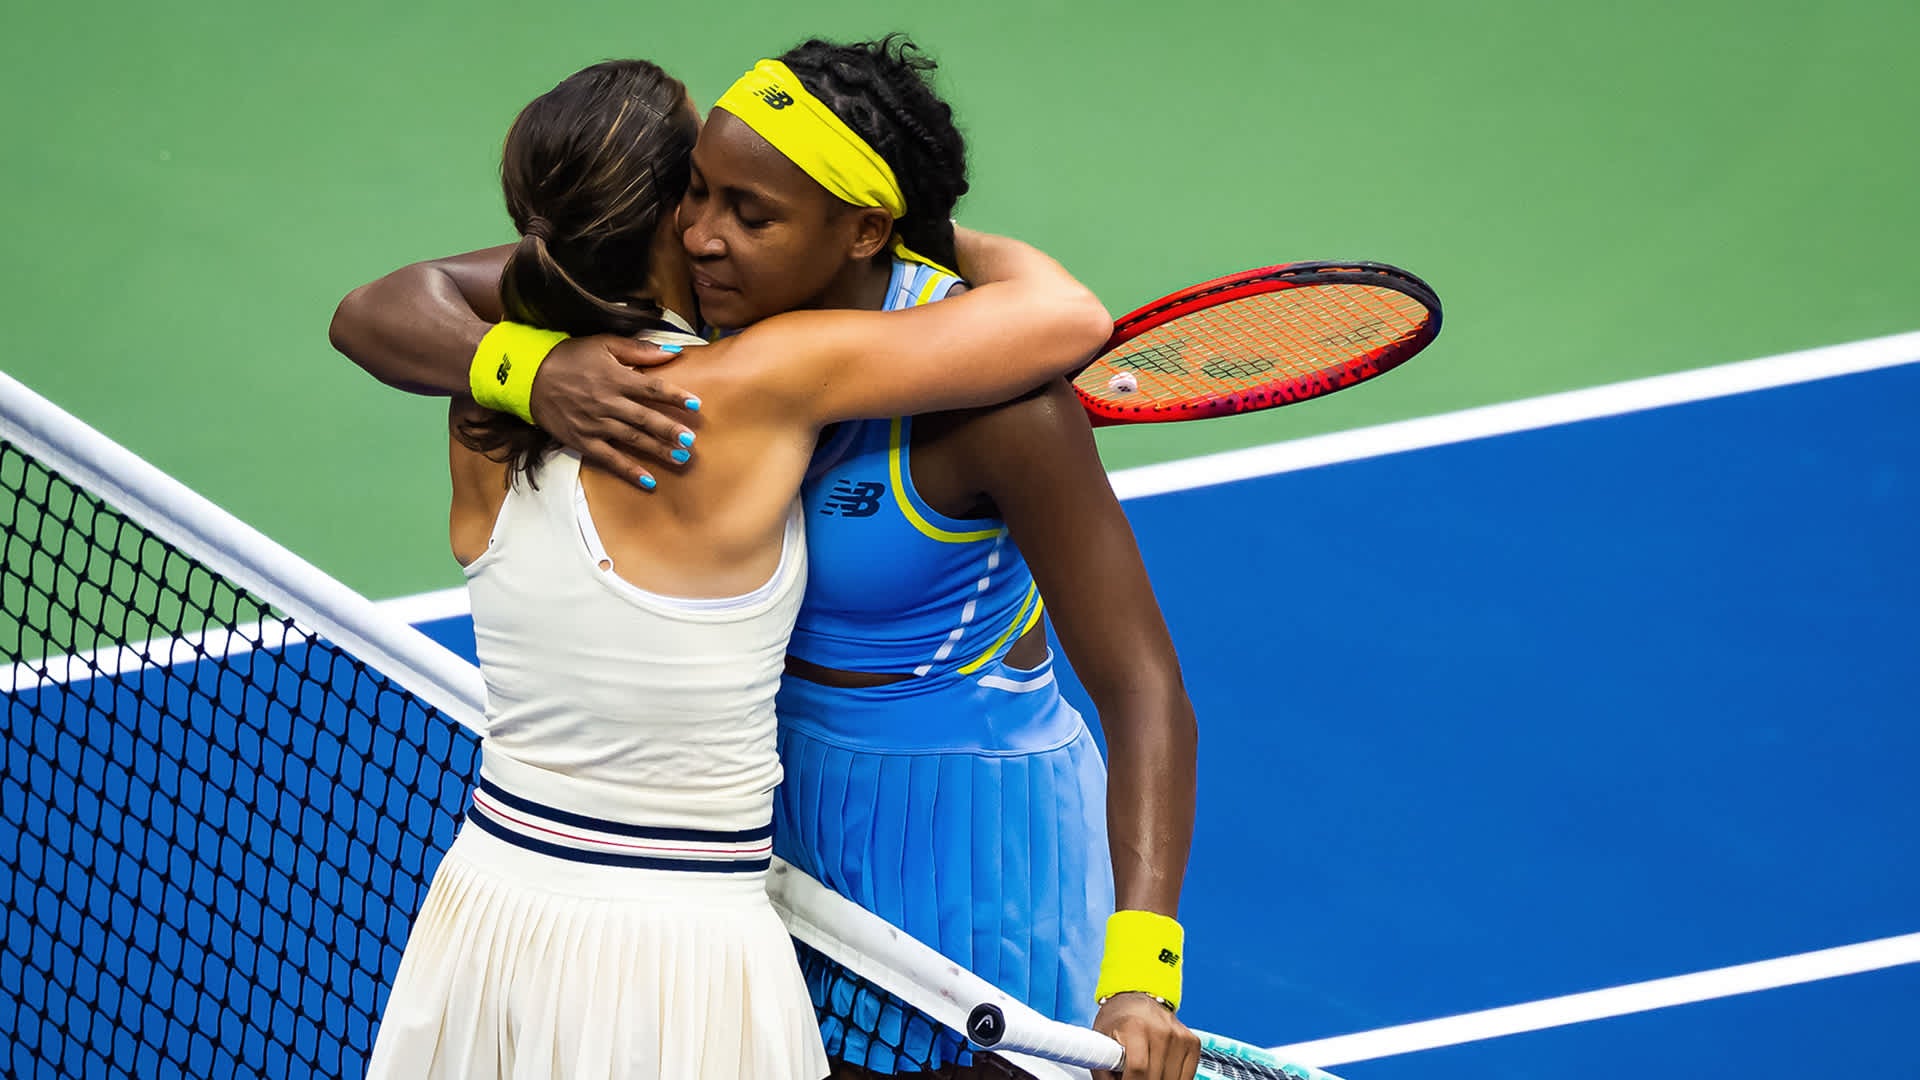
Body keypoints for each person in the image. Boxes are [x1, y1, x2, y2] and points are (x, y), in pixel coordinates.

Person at [333, 38, 1202, 1080]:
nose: (703, 235)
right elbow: (395, 303)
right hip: (768, 859)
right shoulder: (700, 306)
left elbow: (1143, 686)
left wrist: (1142, 974)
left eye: (752, 214)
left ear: (863, 228)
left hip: (970, 863)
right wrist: (536, 367)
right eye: (695, 193)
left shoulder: (1000, 402)